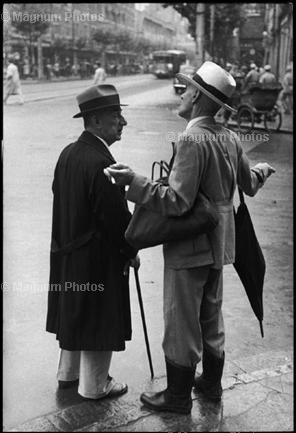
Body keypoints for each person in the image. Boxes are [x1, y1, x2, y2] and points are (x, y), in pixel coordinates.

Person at [106, 61, 276, 414]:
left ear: (197, 96)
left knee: (181, 322)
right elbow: (249, 185)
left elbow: (178, 201)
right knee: (211, 317)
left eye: (185, 89)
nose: (180, 93)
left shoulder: (189, 139)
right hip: (221, 247)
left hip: (190, 248)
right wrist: (261, 170)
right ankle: (211, 385)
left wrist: (133, 182)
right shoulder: (228, 137)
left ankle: (178, 397)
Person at [46, 84, 140, 400]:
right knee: (98, 316)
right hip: (97, 259)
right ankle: (95, 384)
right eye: (116, 114)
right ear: (96, 120)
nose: (122, 121)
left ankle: (68, 374)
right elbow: (115, 221)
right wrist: (130, 250)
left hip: (68, 253)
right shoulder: (101, 162)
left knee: (74, 312)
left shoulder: (68, 154)